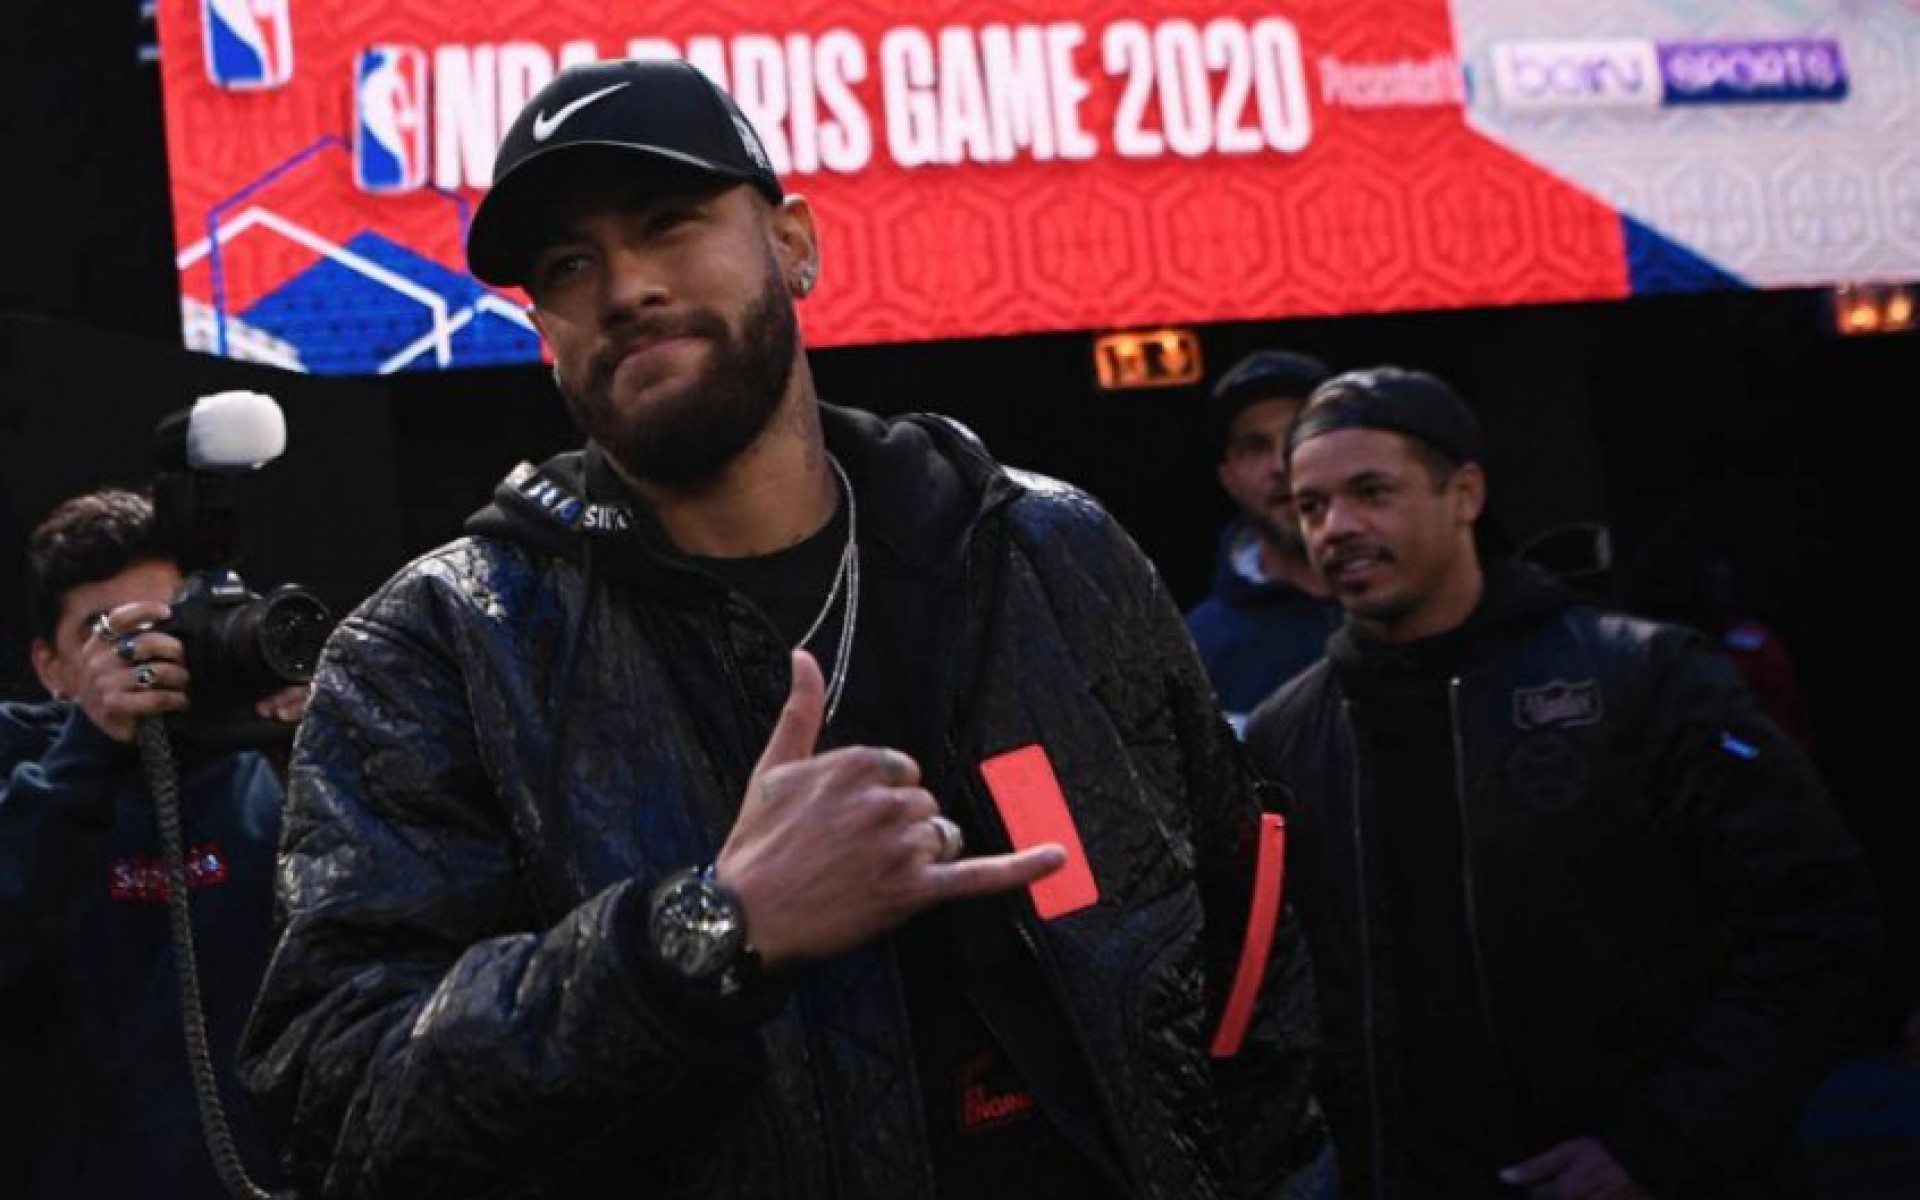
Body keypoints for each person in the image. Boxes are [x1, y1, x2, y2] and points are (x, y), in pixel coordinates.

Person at [240, 58, 1322, 1199]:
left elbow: (1252, 942)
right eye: (570, 265)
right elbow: (338, 1097)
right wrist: (708, 932)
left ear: (795, 244)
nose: (625, 287)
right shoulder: (438, 651)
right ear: (544, 328)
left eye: (670, 225)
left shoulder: (1049, 552)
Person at [1245, 368, 1880, 1200]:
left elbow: (1819, 923)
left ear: (1464, 493)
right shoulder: (1288, 733)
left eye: (1372, 491)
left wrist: (1662, 1144)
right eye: (1312, 505)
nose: (1339, 528)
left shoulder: (1641, 678)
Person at [0, 488, 298, 1200]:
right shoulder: (20, 763)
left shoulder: (260, 761)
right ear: (50, 668)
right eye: (109, 632)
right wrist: (88, 755)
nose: (147, 655)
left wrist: (324, 758)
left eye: (166, 625)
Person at [1185, 351, 1338, 732]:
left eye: (1300, 436)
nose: (1280, 465)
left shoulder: (1420, 602)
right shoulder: (1197, 649)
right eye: (1255, 446)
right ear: (1229, 478)